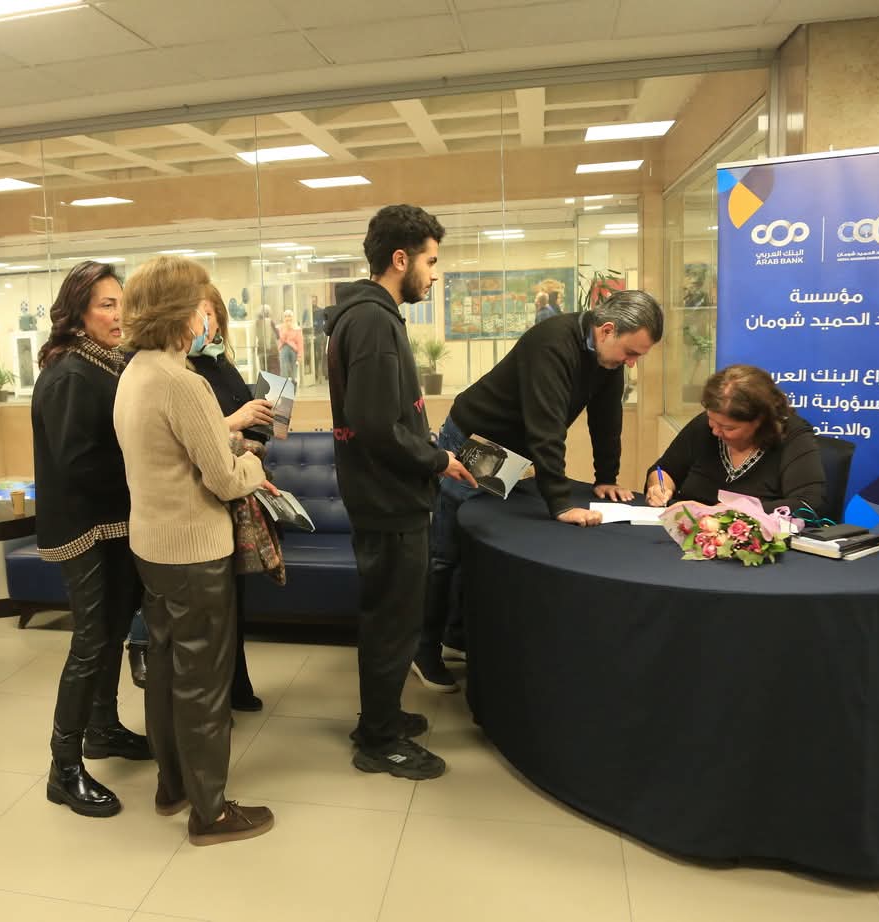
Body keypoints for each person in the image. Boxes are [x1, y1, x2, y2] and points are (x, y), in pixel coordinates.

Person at [414, 288, 663, 692]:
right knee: (447, 549)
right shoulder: (552, 343)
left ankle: (455, 637)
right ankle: (423, 650)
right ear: (607, 330)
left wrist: (606, 476)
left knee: (478, 542)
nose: (632, 362)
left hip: (512, 452)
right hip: (476, 440)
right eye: (631, 352)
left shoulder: (608, 357)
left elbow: (607, 418)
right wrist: (560, 503)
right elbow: (545, 427)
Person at [113, 255, 276, 846]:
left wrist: (226, 446)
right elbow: (226, 481)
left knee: (165, 671)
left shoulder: (135, 373)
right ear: (180, 315)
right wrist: (253, 464)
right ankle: (211, 812)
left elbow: (171, 453)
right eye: (199, 307)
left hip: (152, 547)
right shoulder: (184, 382)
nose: (206, 318)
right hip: (195, 553)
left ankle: (173, 786)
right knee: (204, 682)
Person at [324, 204, 476, 781]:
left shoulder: (370, 316)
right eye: (430, 262)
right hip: (388, 499)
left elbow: (385, 413)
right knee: (393, 621)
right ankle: (379, 741)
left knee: (391, 617)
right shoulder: (371, 321)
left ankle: (380, 717)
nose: (434, 274)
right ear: (400, 259)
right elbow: (374, 423)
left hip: (386, 494)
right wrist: (436, 459)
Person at [32, 260, 151, 818]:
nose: (119, 313)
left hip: (115, 522)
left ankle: (103, 728)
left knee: (113, 633)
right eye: (107, 304)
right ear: (78, 312)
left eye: (121, 301)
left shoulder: (110, 363)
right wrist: (144, 470)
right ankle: (64, 767)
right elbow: (76, 462)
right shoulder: (70, 373)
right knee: (90, 640)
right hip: (84, 529)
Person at [189, 286, 274, 712]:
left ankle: (236, 684)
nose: (206, 324)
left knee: (234, 601)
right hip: (207, 497)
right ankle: (217, 696)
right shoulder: (182, 373)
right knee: (213, 608)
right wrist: (236, 421)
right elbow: (197, 435)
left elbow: (244, 425)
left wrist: (259, 425)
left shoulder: (221, 362)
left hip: (239, 489)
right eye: (198, 315)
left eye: (211, 315)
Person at [646, 365, 826, 515]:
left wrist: (732, 512)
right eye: (712, 421)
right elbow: (663, 469)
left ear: (759, 420)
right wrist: (659, 486)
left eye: (728, 428)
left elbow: (807, 504)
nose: (715, 431)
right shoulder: (704, 426)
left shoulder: (792, 435)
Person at [278, 309, 303, 383]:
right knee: (284, 368)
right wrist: (286, 328)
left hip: (293, 350)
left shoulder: (297, 329)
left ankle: (293, 381)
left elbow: (300, 343)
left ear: (292, 318)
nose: (288, 318)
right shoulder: (281, 328)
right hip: (284, 348)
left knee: (294, 369)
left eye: (289, 316)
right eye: (286, 316)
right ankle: (285, 382)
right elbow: (282, 339)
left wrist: (300, 355)